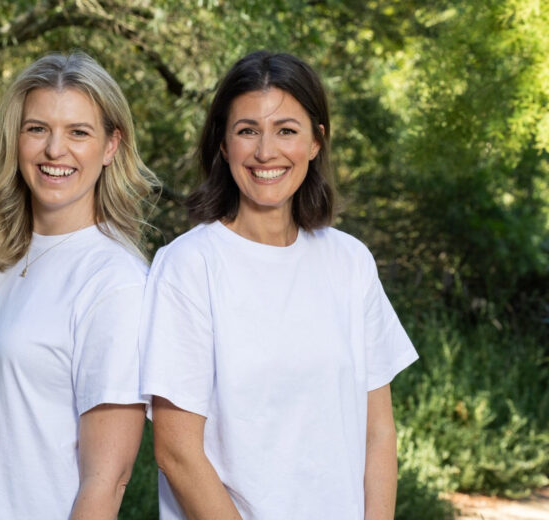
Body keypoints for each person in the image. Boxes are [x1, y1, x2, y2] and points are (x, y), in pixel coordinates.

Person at [140, 50, 419, 519]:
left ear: (315, 142)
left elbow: (378, 433)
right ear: (224, 144)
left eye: (287, 130)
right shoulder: (189, 265)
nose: (266, 152)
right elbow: (177, 452)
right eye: (248, 130)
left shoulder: (350, 262)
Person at [0, 52, 158, 520]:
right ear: (15, 138)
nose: (54, 150)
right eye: (37, 128)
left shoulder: (114, 282)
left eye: (78, 132)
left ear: (110, 147)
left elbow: (107, 482)